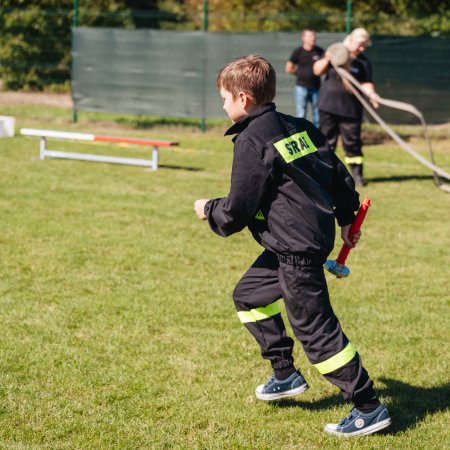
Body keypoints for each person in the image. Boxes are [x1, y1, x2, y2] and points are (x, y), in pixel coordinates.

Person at [194, 54, 391, 437]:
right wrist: (347, 217)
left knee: (315, 330)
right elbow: (336, 173)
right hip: (297, 241)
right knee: (249, 296)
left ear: (243, 98)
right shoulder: (298, 125)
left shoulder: (252, 139)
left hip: (296, 248)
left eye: (224, 98)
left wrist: (209, 209)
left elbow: (239, 209)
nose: (222, 105)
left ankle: (369, 406)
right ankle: (284, 374)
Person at [313, 28, 380, 186]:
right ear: (350, 40)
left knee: (353, 143)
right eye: (360, 45)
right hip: (328, 105)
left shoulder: (363, 63)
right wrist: (328, 59)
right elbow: (317, 71)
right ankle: (323, 174)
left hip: (351, 109)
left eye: (365, 46)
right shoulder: (336, 52)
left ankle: (357, 176)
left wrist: (373, 95)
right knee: (326, 142)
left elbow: (366, 83)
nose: (362, 48)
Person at [285, 29, 324, 128]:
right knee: (301, 114)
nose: (313, 38)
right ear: (303, 38)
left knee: (318, 116)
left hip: (317, 88)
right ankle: (301, 135)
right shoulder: (298, 52)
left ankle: (317, 139)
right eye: (310, 36)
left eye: (314, 36)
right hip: (301, 87)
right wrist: (300, 73)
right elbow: (289, 68)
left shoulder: (320, 51)